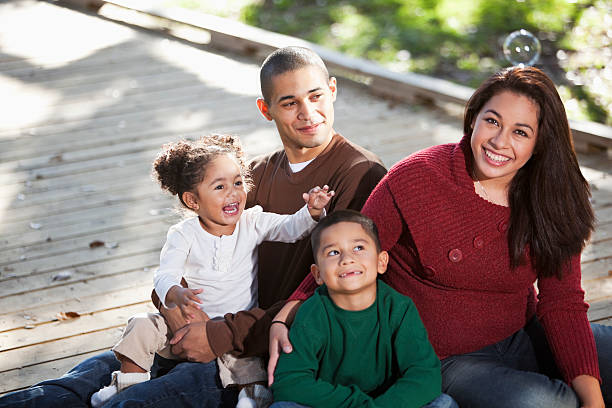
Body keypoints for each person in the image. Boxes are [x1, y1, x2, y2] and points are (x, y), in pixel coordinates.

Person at [0, 46, 386, 408]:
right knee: (71, 386)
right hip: (201, 328)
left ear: (333, 91)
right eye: (289, 102)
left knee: (129, 402)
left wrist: (221, 335)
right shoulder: (255, 173)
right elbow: (196, 245)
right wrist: (173, 303)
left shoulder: (359, 175)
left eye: (316, 96)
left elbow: (339, 296)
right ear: (266, 110)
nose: (307, 112)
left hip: (258, 355)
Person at [283, 66, 612, 408]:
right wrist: (289, 311)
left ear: (541, 141)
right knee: (549, 403)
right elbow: (350, 249)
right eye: (493, 121)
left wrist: (594, 399)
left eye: (521, 132)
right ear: (473, 119)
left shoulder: (553, 195)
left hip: (522, 334)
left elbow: (562, 302)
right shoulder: (417, 177)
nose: (500, 141)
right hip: (440, 358)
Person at [89, 134, 334, 408]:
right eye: (220, 186)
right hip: (182, 328)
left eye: (238, 183)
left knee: (248, 353)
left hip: (229, 325)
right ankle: (128, 381)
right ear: (193, 201)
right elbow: (164, 273)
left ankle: (252, 394)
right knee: (141, 324)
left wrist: (311, 211)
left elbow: (291, 229)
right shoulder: (183, 234)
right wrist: (175, 292)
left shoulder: (252, 222)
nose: (233, 193)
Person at [270, 210, 457, 408]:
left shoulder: (399, 309)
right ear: (318, 275)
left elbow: (425, 375)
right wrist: (359, 404)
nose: (347, 259)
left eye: (358, 247)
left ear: (381, 262)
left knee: (444, 403)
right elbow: (289, 383)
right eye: (333, 252)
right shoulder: (312, 313)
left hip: (388, 403)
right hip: (331, 403)